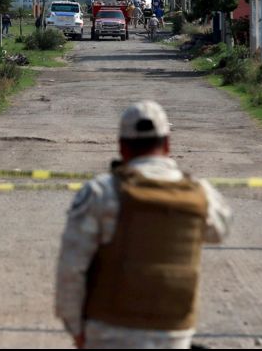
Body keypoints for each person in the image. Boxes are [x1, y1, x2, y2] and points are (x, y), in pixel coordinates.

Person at [55, 100, 231, 349]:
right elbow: (219, 232)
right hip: (173, 334)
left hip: (109, 331)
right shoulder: (201, 193)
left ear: (122, 147)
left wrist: (76, 328)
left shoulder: (101, 193)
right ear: (168, 144)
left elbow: (71, 269)